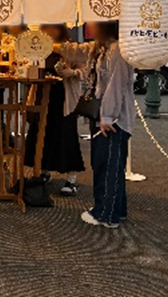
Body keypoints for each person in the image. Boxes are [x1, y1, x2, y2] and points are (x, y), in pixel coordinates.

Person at [79, 21, 136, 228]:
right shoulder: (104, 47)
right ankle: (116, 210)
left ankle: (106, 214)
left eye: (94, 22)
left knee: (108, 165)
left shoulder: (118, 50)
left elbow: (116, 85)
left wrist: (108, 117)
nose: (90, 25)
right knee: (110, 164)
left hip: (113, 120)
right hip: (106, 116)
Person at [30, 23, 89, 197]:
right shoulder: (40, 46)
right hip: (42, 95)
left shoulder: (70, 47)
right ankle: (44, 171)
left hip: (64, 96)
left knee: (66, 134)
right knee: (43, 133)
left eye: (52, 27)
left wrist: (73, 73)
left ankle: (71, 178)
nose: (49, 31)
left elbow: (86, 69)